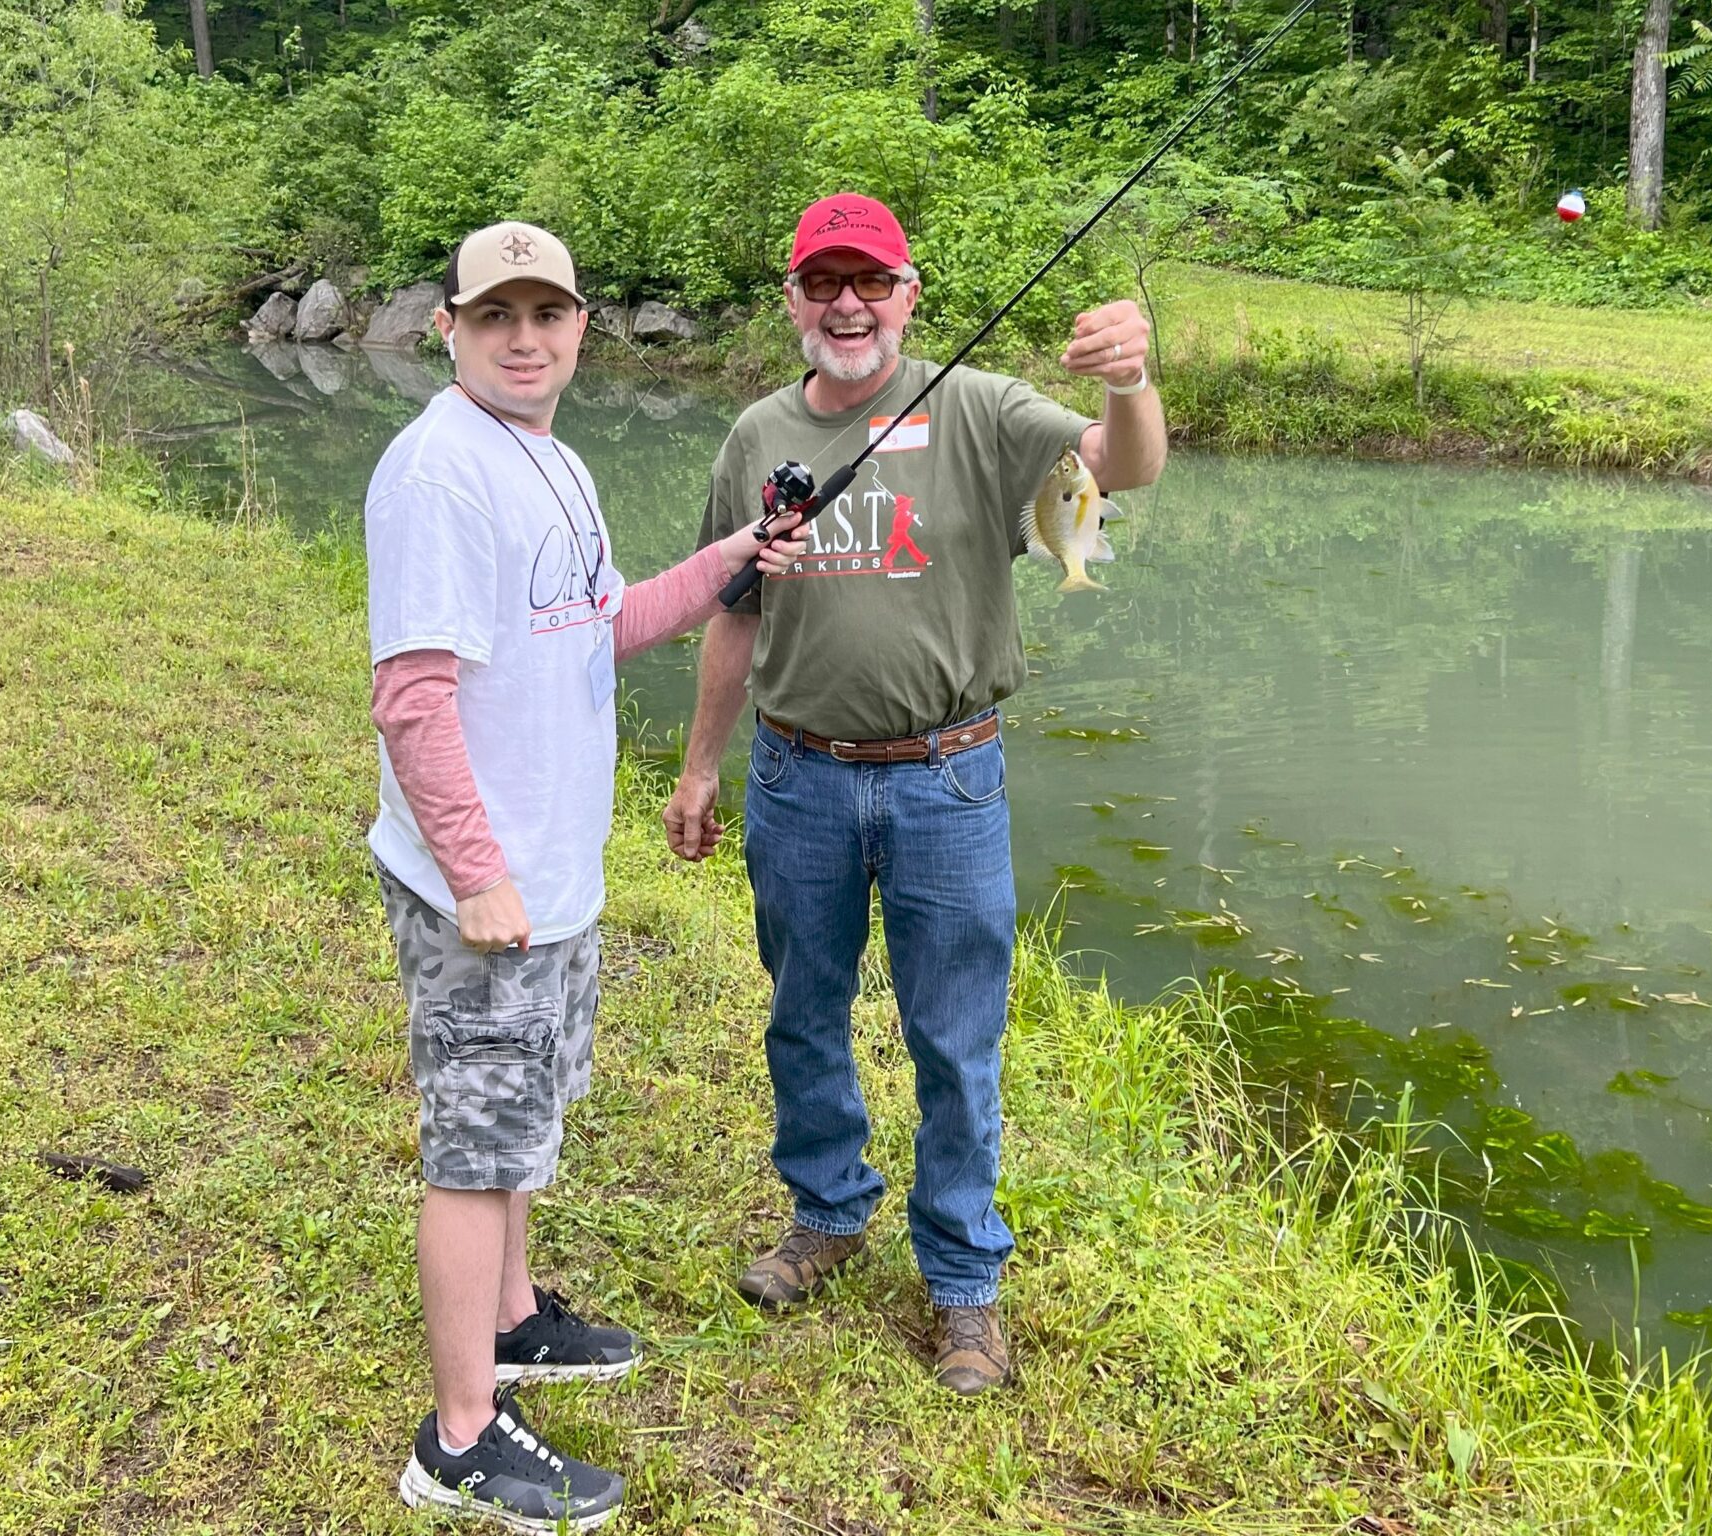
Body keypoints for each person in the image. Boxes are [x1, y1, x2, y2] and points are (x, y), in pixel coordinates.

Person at [664, 193, 1167, 1394]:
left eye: (870, 283)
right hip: (796, 779)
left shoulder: (982, 408)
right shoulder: (752, 436)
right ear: (791, 300)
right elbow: (732, 615)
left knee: (954, 1041)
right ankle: (825, 1215)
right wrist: (697, 767)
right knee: (802, 1013)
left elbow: (1120, 469)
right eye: (822, 284)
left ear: (908, 294)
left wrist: (1128, 381)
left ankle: (961, 1285)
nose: (848, 305)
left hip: (949, 777)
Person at [366, 220, 804, 1529]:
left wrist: (737, 559)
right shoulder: (441, 472)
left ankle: (512, 1319)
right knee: (473, 1145)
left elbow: (605, 624)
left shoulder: (549, 458)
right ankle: (457, 1441)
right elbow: (412, 698)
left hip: (550, 873)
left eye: (545, 314)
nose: (522, 337)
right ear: (446, 327)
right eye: (493, 314)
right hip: (485, 889)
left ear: (577, 328)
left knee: (521, 1124)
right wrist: (481, 876)